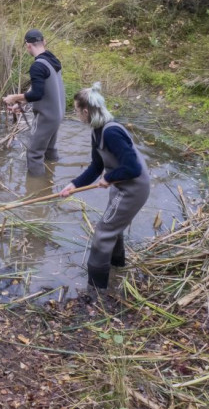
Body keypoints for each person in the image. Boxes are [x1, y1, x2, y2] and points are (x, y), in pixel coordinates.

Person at [59, 82, 150, 293]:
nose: (76, 115)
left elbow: (133, 168)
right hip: (122, 184)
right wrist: (72, 185)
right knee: (113, 227)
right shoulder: (96, 131)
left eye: (76, 110)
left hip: (133, 188)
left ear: (85, 111)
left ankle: (96, 289)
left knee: (103, 233)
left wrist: (109, 178)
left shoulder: (111, 132)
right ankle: (117, 269)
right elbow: (96, 167)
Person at [2, 29, 65, 177]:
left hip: (46, 117)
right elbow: (42, 87)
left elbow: (37, 93)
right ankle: (51, 175)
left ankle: (37, 190)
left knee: (34, 154)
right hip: (58, 114)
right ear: (44, 42)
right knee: (49, 149)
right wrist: (22, 103)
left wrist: (14, 98)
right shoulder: (53, 60)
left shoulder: (37, 66)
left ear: (28, 46)